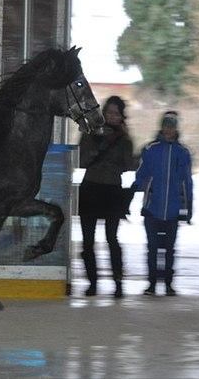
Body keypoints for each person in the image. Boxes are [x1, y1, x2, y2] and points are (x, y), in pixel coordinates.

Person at [78, 96, 135, 298]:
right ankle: (92, 283)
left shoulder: (124, 139)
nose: (112, 117)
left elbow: (130, 165)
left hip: (112, 191)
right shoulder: (91, 133)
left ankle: (118, 282)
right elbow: (82, 160)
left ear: (122, 116)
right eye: (109, 112)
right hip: (90, 188)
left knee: (112, 238)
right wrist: (96, 145)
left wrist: (127, 140)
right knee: (88, 241)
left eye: (116, 114)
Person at [133, 111, 193, 297]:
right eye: (166, 126)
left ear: (176, 129)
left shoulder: (182, 153)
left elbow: (187, 182)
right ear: (161, 127)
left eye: (172, 126)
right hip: (152, 208)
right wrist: (141, 187)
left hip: (173, 210)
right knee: (152, 248)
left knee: (169, 249)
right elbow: (141, 174)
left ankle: (168, 283)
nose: (168, 129)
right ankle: (151, 284)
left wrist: (189, 208)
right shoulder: (150, 149)